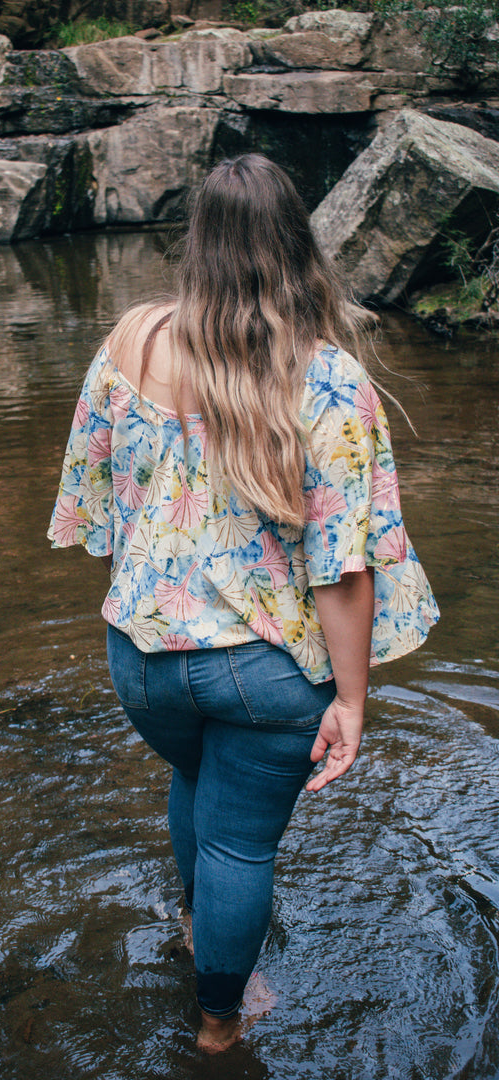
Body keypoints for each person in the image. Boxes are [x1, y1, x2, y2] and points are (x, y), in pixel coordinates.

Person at [47, 154, 439, 1054]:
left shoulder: (132, 339)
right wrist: (351, 701)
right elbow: (341, 568)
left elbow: (99, 490)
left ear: (197, 246)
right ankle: (219, 1027)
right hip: (264, 671)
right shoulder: (330, 377)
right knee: (240, 850)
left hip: (140, 660)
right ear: (299, 246)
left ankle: (196, 934)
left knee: (194, 782)